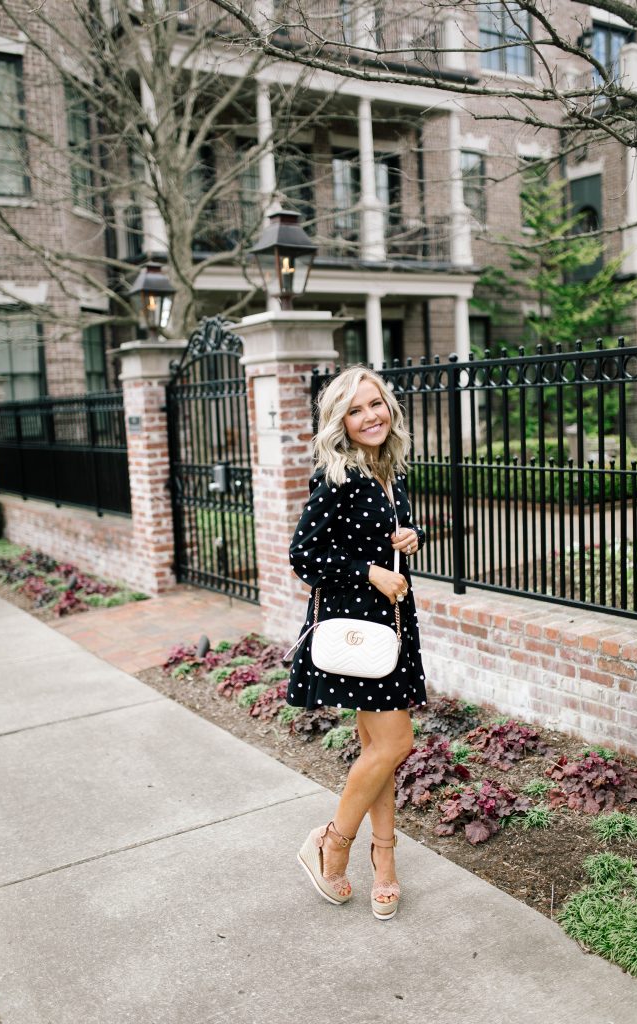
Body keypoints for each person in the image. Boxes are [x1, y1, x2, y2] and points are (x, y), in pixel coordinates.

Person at [286, 365, 427, 920]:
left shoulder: (389, 467)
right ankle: (331, 841)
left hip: (392, 625)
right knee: (395, 746)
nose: (370, 416)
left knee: (379, 752)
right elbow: (304, 556)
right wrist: (370, 573)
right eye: (356, 409)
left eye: (376, 404)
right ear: (340, 420)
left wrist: (413, 537)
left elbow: (396, 533)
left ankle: (385, 865)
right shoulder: (335, 474)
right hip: (358, 626)